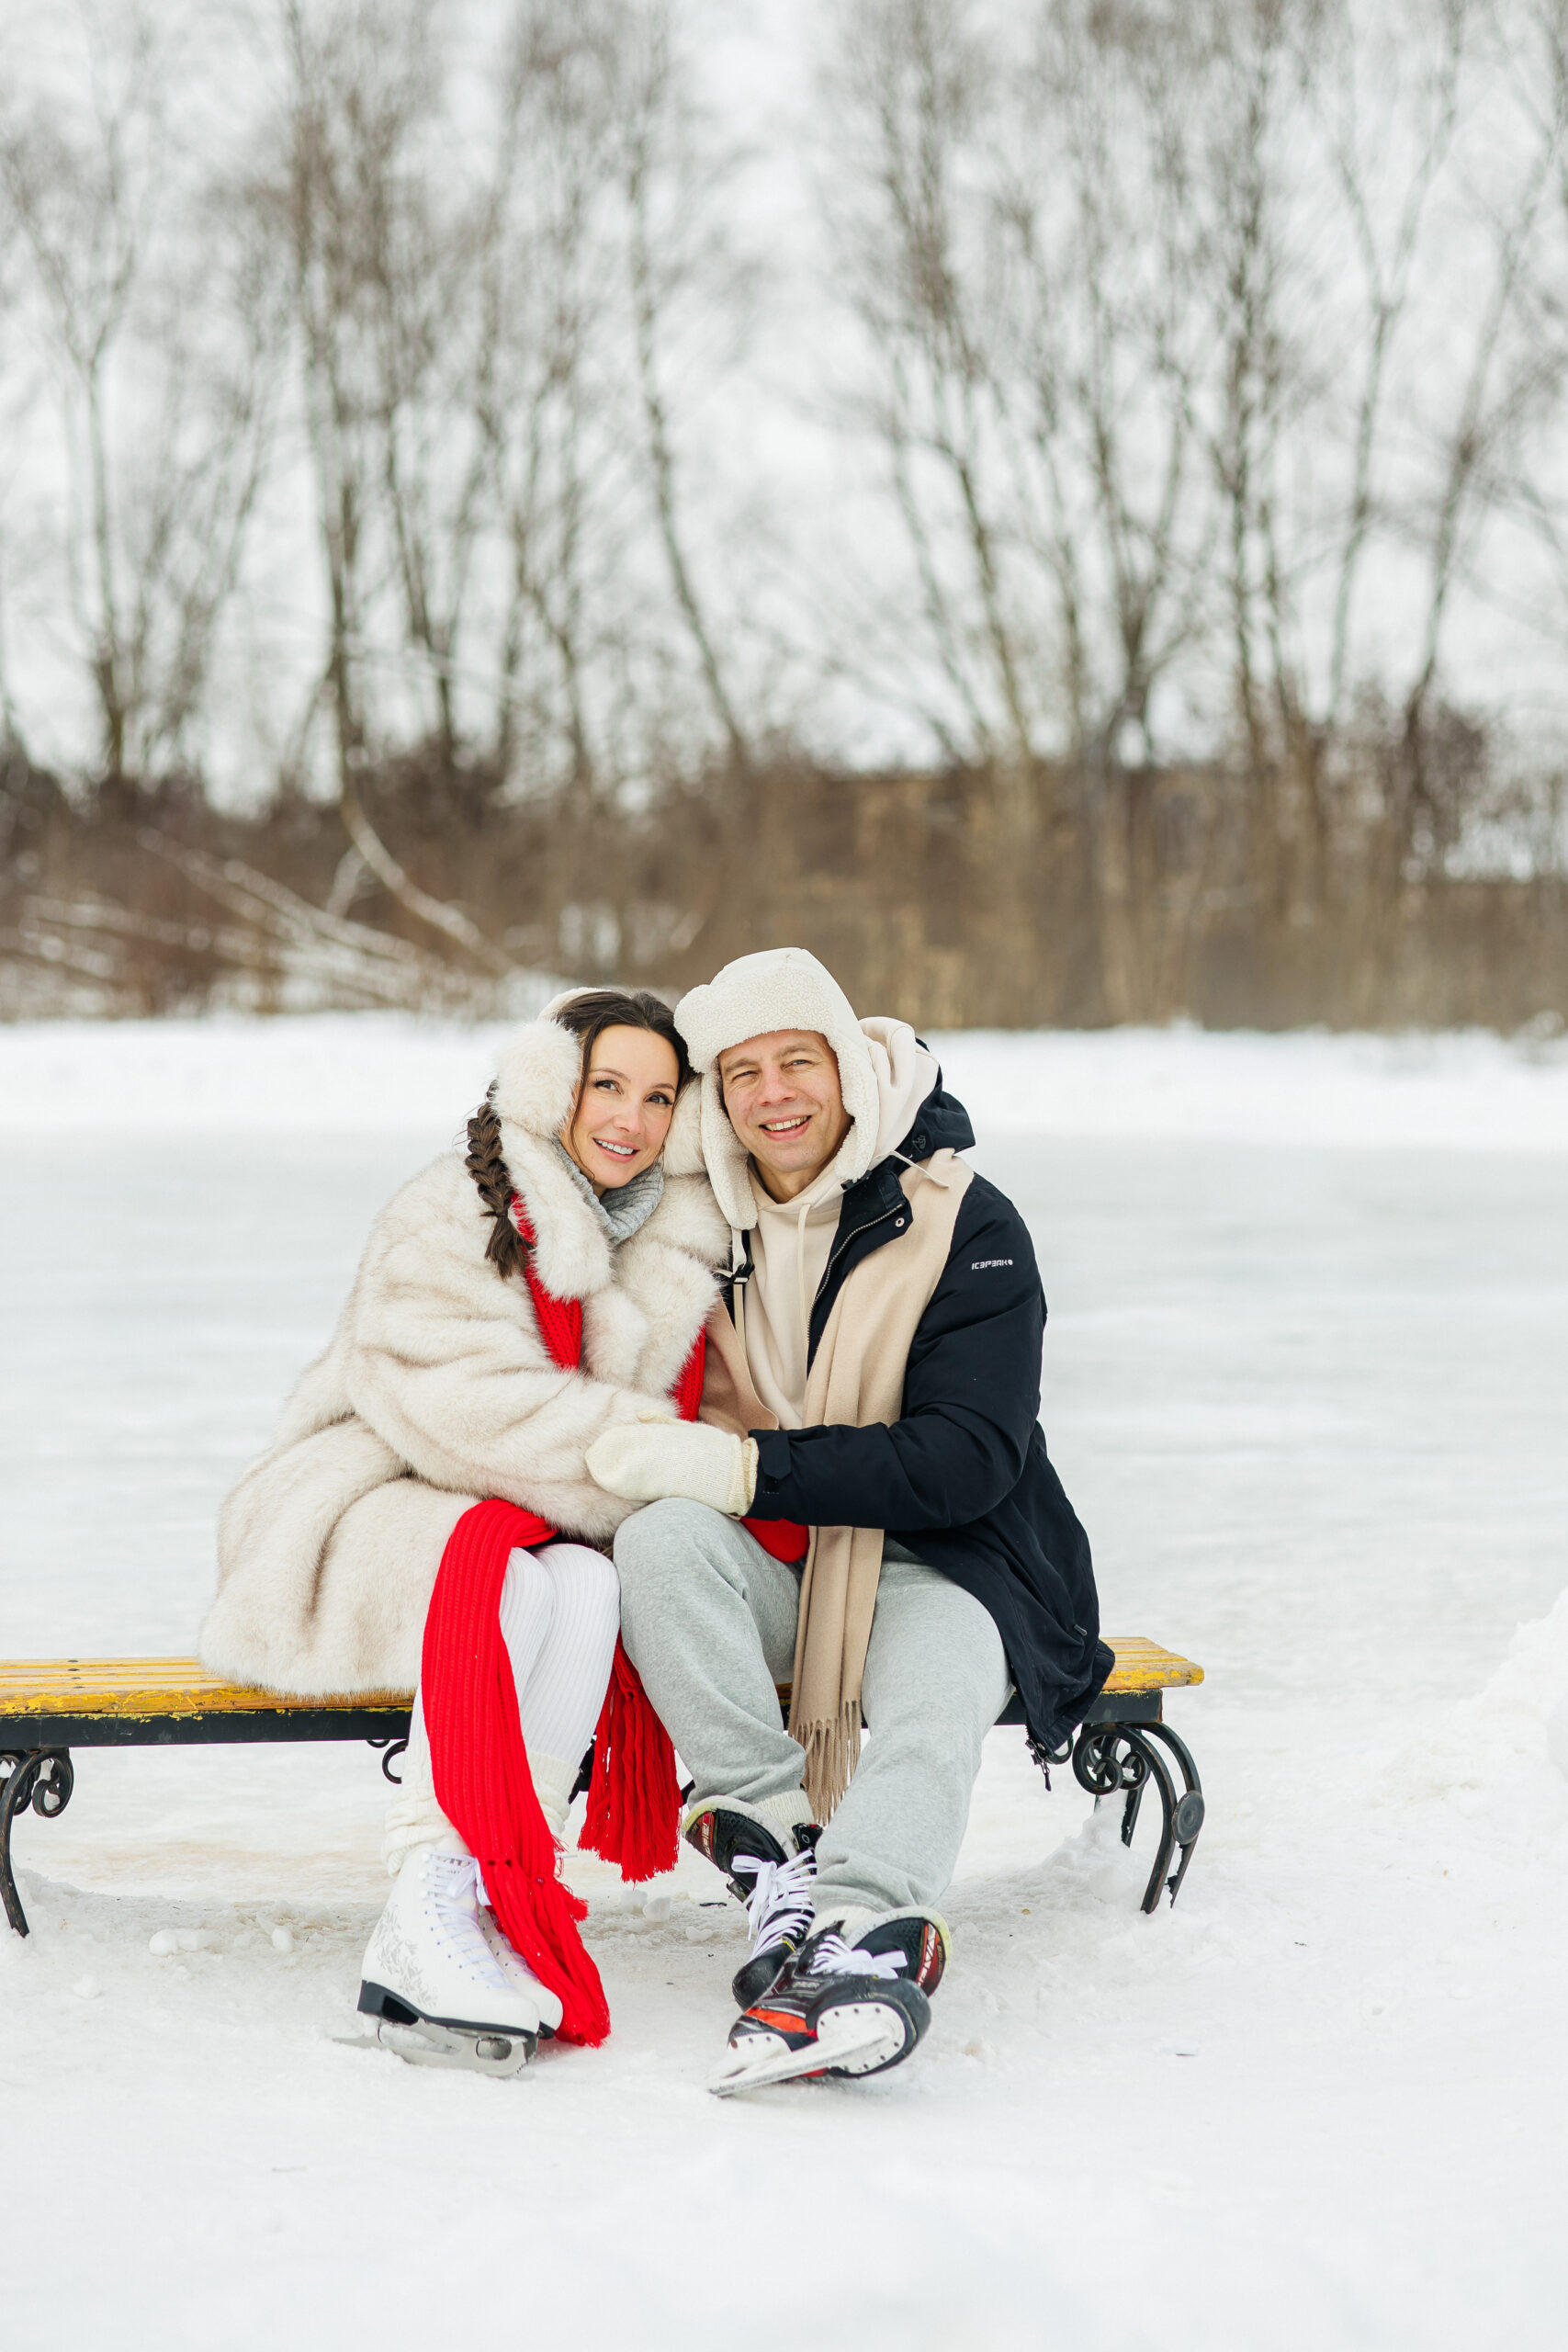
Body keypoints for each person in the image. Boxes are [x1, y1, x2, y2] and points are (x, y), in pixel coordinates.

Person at [587, 946, 1107, 2091]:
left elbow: (966, 1459)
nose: (773, 1094)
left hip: (950, 1561)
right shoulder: (699, 1227)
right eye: (742, 1072)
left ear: (847, 1067)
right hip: (787, 1566)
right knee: (660, 1541)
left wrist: (745, 1469)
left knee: (939, 1686)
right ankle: (777, 1853)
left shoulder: (963, 1219)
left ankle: (866, 1932)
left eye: (798, 1062)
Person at [201, 989, 728, 2073]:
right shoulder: (455, 1207)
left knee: (589, 1586)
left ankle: (494, 1882)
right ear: (554, 1086)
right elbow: (465, 1411)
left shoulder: (660, 1238)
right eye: (607, 1085)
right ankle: (422, 1898)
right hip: (355, 1497)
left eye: (658, 1096)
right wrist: (661, 1455)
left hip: (513, 1504)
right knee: (513, 1579)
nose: (630, 1118)